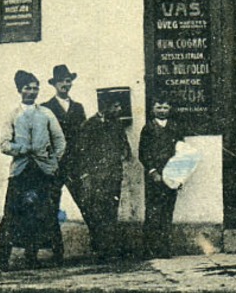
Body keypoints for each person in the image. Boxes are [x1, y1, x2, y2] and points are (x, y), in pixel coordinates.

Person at [0, 69, 66, 270]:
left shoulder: (46, 114)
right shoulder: (13, 115)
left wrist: (51, 161)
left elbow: (60, 141)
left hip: (42, 172)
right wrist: (21, 149)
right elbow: (3, 144)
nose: (32, 92)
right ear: (20, 90)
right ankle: (2, 260)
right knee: (11, 214)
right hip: (20, 172)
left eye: (36, 88)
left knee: (42, 213)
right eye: (28, 88)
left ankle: (33, 256)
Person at [72, 103, 132, 259]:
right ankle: (100, 249)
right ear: (104, 106)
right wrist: (87, 174)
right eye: (115, 106)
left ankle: (110, 248)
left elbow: (125, 148)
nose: (119, 109)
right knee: (97, 211)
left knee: (111, 210)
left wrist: (122, 155)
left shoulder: (117, 124)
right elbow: (82, 151)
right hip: (96, 177)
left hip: (113, 176)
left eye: (120, 106)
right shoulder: (89, 125)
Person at [42, 64, 87, 262]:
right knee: (51, 206)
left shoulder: (78, 108)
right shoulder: (46, 107)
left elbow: (85, 136)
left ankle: (101, 247)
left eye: (68, 81)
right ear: (55, 84)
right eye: (61, 81)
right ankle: (56, 250)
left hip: (75, 163)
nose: (65, 84)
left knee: (87, 202)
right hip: (54, 164)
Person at [138, 95, 183, 258]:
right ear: (152, 109)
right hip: (155, 177)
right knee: (153, 212)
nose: (162, 111)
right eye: (159, 107)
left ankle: (165, 249)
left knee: (167, 211)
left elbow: (182, 152)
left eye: (165, 107)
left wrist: (179, 176)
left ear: (170, 109)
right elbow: (143, 153)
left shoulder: (175, 127)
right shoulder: (148, 128)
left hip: (171, 175)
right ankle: (149, 249)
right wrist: (153, 171)